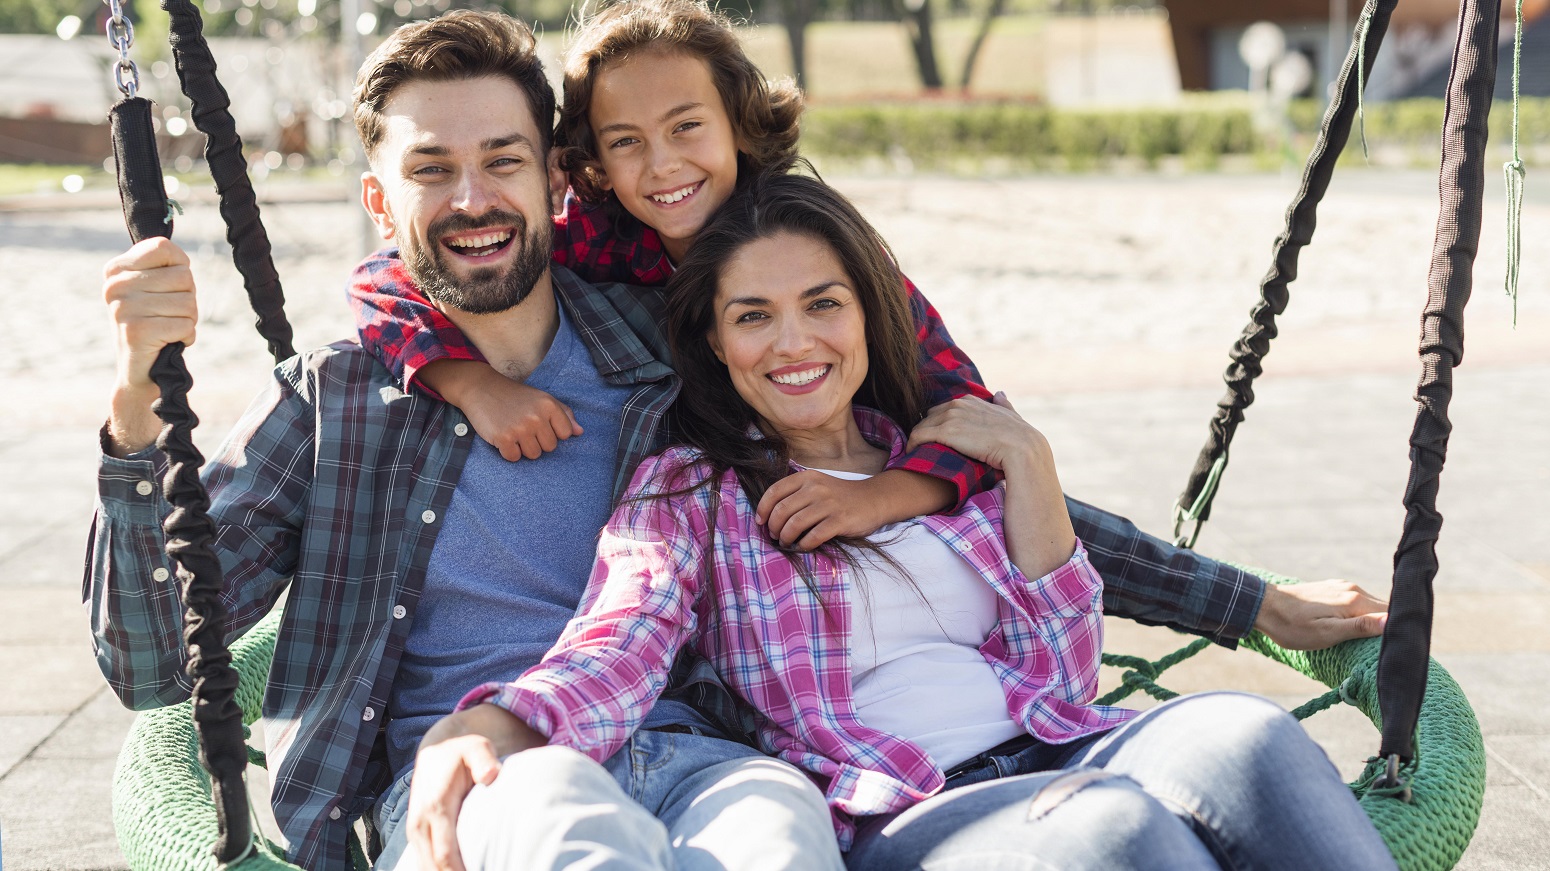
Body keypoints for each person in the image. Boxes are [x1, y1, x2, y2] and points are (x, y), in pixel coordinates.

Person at [414, 172, 1399, 870]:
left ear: (865, 312)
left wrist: (1029, 465)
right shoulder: (691, 493)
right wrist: (494, 721)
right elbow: (617, 642)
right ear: (714, 341)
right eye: (752, 315)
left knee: (1246, 738)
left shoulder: (933, 452)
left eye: (821, 304)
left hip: (1066, 741)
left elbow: (1058, 678)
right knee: (1112, 833)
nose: (792, 342)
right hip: (908, 808)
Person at [88, 11, 842, 871]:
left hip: (692, 753)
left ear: (555, 178)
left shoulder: (672, 353)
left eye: (502, 161)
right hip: (470, 779)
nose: (473, 199)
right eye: (432, 170)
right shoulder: (333, 400)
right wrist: (139, 401)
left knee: (784, 828)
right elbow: (151, 664)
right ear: (380, 201)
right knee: (563, 823)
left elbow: (845, 408)